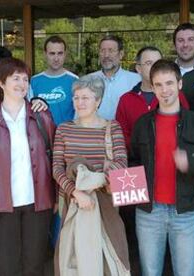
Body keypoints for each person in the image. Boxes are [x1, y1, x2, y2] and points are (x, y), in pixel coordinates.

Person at [129, 59, 194, 276]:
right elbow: (133, 161)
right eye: (158, 85)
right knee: (150, 272)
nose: (164, 90)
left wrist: (190, 164)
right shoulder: (142, 123)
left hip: (186, 213)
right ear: (153, 87)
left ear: (179, 84)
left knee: (185, 272)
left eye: (169, 83)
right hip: (149, 213)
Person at [0, 57, 56, 276]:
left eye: (25, 79)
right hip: (1, 204)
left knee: (34, 264)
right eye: (15, 78)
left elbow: (55, 157)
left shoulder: (41, 115)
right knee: (5, 265)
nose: (22, 83)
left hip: (37, 202)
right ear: (1, 82)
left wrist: (56, 196)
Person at [115, 46, 189, 275]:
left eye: (158, 62)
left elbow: (186, 133)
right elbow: (121, 135)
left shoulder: (179, 97)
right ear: (138, 68)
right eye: (148, 63)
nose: (154, 67)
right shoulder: (126, 99)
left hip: (173, 183)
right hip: (137, 178)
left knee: (175, 248)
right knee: (138, 240)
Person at [53, 74, 130, 275]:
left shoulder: (112, 127)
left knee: (107, 257)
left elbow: (121, 163)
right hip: (72, 203)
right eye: (76, 97)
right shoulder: (64, 129)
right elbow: (56, 168)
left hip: (105, 200)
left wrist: (92, 184)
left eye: (86, 97)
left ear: (98, 101)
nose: (80, 102)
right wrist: (76, 193)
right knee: (74, 257)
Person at [29, 35, 78, 126]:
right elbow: (28, 113)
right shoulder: (34, 81)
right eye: (52, 53)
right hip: (42, 137)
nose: (56, 58)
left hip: (66, 136)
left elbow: (80, 113)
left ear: (65, 54)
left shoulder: (75, 80)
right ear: (45, 54)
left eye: (60, 53)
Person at [90, 35, 141, 120]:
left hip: (124, 132)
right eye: (103, 51)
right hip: (94, 132)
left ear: (121, 54)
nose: (106, 55)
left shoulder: (136, 81)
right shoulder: (88, 80)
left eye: (111, 51)